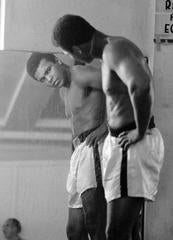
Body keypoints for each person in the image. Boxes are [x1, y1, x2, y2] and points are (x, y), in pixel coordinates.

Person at [52, 14, 165, 240]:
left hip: (131, 144)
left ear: (77, 49)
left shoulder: (115, 49)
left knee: (115, 232)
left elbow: (141, 86)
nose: (74, 58)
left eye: (70, 53)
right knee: (123, 230)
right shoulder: (109, 53)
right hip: (120, 145)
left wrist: (139, 132)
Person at [26, 52, 107, 240]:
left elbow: (124, 88)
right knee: (74, 230)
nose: (49, 79)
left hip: (95, 148)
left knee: (95, 222)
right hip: (79, 152)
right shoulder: (63, 90)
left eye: (48, 70)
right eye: (43, 78)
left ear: (57, 61)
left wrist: (106, 127)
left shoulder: (82, 74)